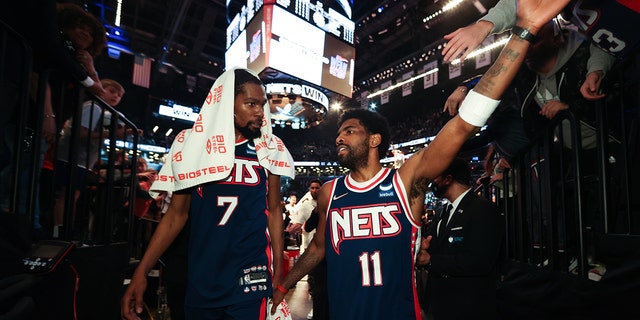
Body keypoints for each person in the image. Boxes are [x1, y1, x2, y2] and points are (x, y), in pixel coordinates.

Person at [271, 1, 570, 318]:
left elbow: (464, 125)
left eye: (350, 131)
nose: (339, 137)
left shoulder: (405, 180)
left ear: (374, 140)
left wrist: (522, 33)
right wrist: (282, 286)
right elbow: (318, 248)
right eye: (339, 133)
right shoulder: (331, 192)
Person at [121, 67, 296, 320]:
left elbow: (275, 210)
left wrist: (279, 269)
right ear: (227, 105)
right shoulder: (190, 144)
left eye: (262, 105)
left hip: (252, 274)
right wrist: (142, 271)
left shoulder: (268, 148)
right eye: (251, 104)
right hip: (203, 275)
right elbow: (175, 216)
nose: (260, 112)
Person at [417, 158, 504, 319]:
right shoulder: (443, 211)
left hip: (469, 306)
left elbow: (480, 261)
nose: (432, 183)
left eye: (436, 177)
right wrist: (426, 248)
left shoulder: (483, 209)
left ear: (448, 179)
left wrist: (431, 260)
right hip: (440, 304)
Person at [52, 78, 125, 238]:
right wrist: (112, 134)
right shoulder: (94, 108)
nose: (115, 96)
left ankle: (62, 231)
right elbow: (81, 132)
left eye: (119, 95)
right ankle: (58, 233)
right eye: (112, 91)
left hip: (79, 160)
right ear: (100, 88)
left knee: (72, 197)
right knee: (67, 196)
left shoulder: (101, 110)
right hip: (71, 158)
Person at [285, 179, 322, 319]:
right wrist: (286, 232)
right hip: (310, 249)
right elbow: (298, 224)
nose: (314, 190)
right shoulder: (305, 206)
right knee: (313, 282)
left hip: (326, 249)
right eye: (312, 188)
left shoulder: (326, 201)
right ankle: (315, 308)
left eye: (317, 188)